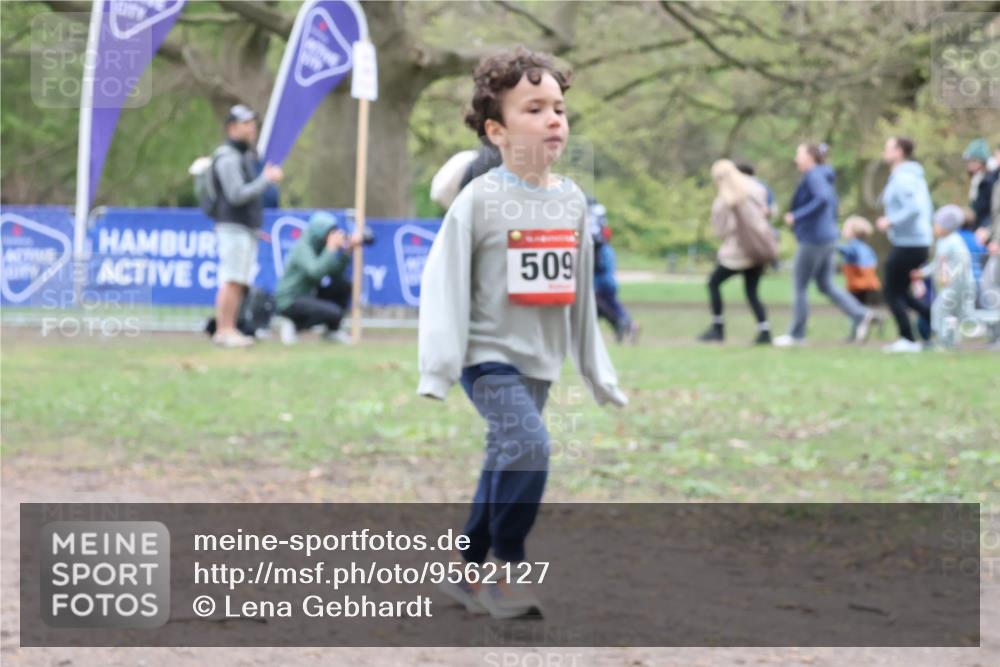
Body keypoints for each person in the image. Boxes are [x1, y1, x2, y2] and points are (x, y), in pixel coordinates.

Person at [418, 48, 626, 620]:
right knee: (529, 446)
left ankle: (464, 570)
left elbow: (580, 292)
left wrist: (597, 371)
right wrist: (439, 367)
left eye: (559, 108)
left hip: (541, 360)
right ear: (497, 131)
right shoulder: (478, 200)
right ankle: (505, 572)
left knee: (505, 456)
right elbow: (442, 282)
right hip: (484, 356)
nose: (553, 119)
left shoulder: (572, 201)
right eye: (534, 109)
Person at [774, 143, 876, 347]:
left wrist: (797, 216)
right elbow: (830, 203)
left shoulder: (814, 175)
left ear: (810, 156)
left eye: (798, 154)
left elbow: (822, 199)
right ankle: (861, 314)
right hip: (828, 237)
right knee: (825, 284)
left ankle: (796, 334)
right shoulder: (825, 176)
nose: (796, 158)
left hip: (814, 239)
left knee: (800, 286)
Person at [209, 104, 283, 348]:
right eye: (246, 124)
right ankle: (224, 330)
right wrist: (266, 180)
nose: (252, 128)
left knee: (239, 280)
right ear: (232, 128)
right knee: (232, 279)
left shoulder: (244, 156)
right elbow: (237, 194)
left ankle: (230, 328)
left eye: (253, 123)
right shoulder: (227, 158)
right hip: (233, 227)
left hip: (245, 228)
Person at [698, 159, 773, 345]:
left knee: (713, 283)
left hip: (737, 253)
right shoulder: (756, 189)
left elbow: (721, 231)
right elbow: (767, 211)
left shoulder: (724, 201)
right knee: (752, 291)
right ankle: (764, 330)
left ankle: (718, 328)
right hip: (757, 249)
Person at [876, 136, 934, 353]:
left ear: (899, 151)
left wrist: (890, 221)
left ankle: (907, 338)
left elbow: (914, 208)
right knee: (901, 292)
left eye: (888, 148)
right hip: (913, 241)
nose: (884, 151)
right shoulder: (909, 176)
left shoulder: (904, 178)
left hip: (911, 243)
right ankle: (936, 321)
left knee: (891, 292)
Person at [273, 212, 362, 345]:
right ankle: (293, 324)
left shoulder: (320, 247)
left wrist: (347, 251)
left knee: (342, 286)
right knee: (334, 313)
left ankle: (332, 331)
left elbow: (335, 273)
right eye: (330, 233)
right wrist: (331, 248)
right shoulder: (303, 248)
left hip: (308, 295)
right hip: (290, 300)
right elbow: (316, 272)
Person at [911, 205, 976, 349]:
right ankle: (950, 341)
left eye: (936, 224)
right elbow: (937, 263)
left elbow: (964, 261)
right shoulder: (943, 241)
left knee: (940, 309)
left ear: (946, 226)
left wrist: (950, 277)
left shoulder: (954, 241)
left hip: (960, 283)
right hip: (955, 283)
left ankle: (945, 341)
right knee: (949, 311)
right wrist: (922, 273)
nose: (934, 227)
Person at [589, 196, 639, 343]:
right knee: (608, 302)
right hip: (605, 263)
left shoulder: (592, 212)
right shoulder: (598, 213)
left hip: (600, 268)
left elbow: (596, 240)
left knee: (600, 302)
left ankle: (624, 325)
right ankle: (626, 325)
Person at [836, 215, 882, 306]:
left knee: (853, 305)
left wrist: (833, 245)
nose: (843, 230)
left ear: (853, 232)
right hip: (868, 282)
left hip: (856, 283)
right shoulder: (867, 247)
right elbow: (873, 261)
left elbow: (849, 252)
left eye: (845, 228)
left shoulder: (853, 245)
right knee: (860, 304)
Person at [963, 138, 997, 230]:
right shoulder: (978, 179)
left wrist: (986, 229)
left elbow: (990, 210)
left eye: (972, 161)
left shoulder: (989, 181)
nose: (968, 164)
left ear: (980, 162)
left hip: (984, 230)